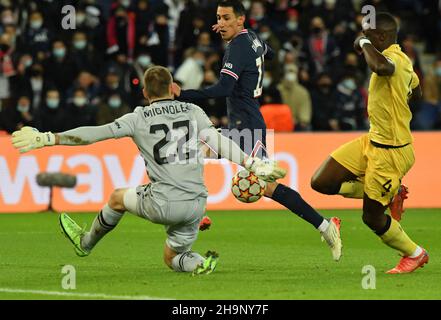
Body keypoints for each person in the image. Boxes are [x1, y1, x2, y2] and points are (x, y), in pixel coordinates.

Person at [11, 66, 286, 275]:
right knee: (173, 256)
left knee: (118, 198)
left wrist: (49, 138)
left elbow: (95, 134)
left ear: (145, 93)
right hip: (198, 204)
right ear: (173, 87)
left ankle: (85, 244)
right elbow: (217, 141)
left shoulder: (138, 117)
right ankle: (199, 262)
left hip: (163, 202)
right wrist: (252, 163)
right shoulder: (193, 110)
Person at [172, 0, 342, 261]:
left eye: (227, 18)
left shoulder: (238, 47)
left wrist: (182, 94)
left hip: (247, 125)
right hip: (245, 121)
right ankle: (324, 225)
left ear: (240, 19)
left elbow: (223, 89)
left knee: (191, 155)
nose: (221, 23)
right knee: (189, 155)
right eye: (219, 18)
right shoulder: (252, 38)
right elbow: (268, 52)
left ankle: (325, 226)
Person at [310, 13, 428, 274]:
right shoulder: (403, 62)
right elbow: (417, 93)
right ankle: (391, 193)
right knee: (321, 182)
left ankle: (415, 253)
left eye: (370, 34)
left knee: (371, 217)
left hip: (391, 153)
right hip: (372, 141)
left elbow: (383, 68)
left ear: (382, 37)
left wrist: (363, 44)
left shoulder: (394, 60)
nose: (364, 38)